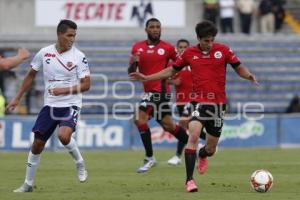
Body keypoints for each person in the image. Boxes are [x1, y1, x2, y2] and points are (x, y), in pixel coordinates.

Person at [130, 20, 258, 192]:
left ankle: (203, 154)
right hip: (198, 102)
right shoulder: (189, 53)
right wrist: (147, 78)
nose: (209, 44)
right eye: (206, 40)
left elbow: (238, 67)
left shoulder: (224, 50)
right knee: (193, 136)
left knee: (211, 148)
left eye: (212, 40)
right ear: (198, 38)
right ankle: (189, 181)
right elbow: (171, 71)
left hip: (218, 105)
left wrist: (248, 76)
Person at [6, 19, 90, 192]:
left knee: (64, 136)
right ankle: (28, 184)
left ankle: (79, 162)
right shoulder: (45, 53)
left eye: (74, 36)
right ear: (59, 34)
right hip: (50, 105)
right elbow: (30, 75)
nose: (72, 39)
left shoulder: (79, 56)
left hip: (71, 103)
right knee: (37, 144)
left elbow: (86, 85)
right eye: (69, 35)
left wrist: (64, 90)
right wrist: (17, 98)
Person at [128, 18, 189, 173]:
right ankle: (195, 146)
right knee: (169, 126)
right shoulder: (138, 47)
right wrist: (132, 63)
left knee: (139, 119)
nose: (155, 29)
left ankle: (149, 158)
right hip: (149, 92)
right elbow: (132, 73)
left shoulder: (167, 47)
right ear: (146, 29)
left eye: (158, 27)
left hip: (160, 91)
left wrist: (172, 76)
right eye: (152, 27)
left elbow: (181, 63)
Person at [166, 39, 206, 166]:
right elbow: (168, 79)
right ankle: (207, 143)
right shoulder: (174, 64)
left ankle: (179, 156)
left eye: (185, 47)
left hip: (193, 100)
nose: (183, 49)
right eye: (180, 47)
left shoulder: (194, 61)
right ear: (177, 49)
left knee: (185, 124)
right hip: (180, 101)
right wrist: (171, 81)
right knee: (188, 128)